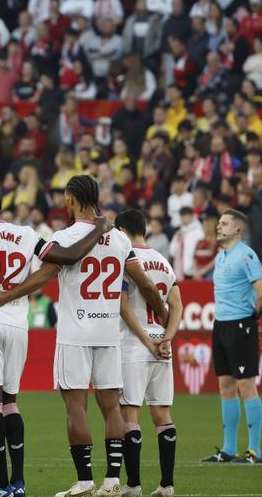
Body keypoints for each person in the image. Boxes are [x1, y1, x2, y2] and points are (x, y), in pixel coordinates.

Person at [0, 175, 167, 497]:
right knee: (111, 408)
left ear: (72, 198)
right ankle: (111, 481)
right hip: (109, 332)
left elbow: (44, 275)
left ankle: (84, 481)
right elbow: (147, 286)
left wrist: (6, 295)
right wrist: (165, 320)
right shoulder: (121, 240)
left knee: (76, 407)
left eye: (65, 197)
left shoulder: (65, 236)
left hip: (75, 333)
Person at [0, 184, 112, 497]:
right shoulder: (27, 234)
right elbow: (67, 257)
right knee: (10, 402)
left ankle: (1, 485)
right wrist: (98, 230)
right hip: (18, 324)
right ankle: (18, 482)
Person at [114, 209, 182, 497]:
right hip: (161, 348)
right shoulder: (163, 262)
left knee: (130, 415)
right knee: (162, 414)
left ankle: (133, 485)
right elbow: (177, 305)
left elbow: (124, 306)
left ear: (121, 230)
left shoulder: (127, 259)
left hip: (134, 346)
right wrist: (166, 338)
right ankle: (167, 485)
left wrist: (145, 340)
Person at [201, 209, 262, 464]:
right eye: (220, 223)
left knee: (245, 385)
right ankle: (228, 450)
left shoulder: (246, 255)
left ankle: (254, 451)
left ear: (239, 229)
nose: (219, 227)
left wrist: (251, 318)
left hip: (240, 325)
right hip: (221, 325)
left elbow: (260, 290)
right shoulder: (220, 257)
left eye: (225, 224)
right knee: (225, 385)